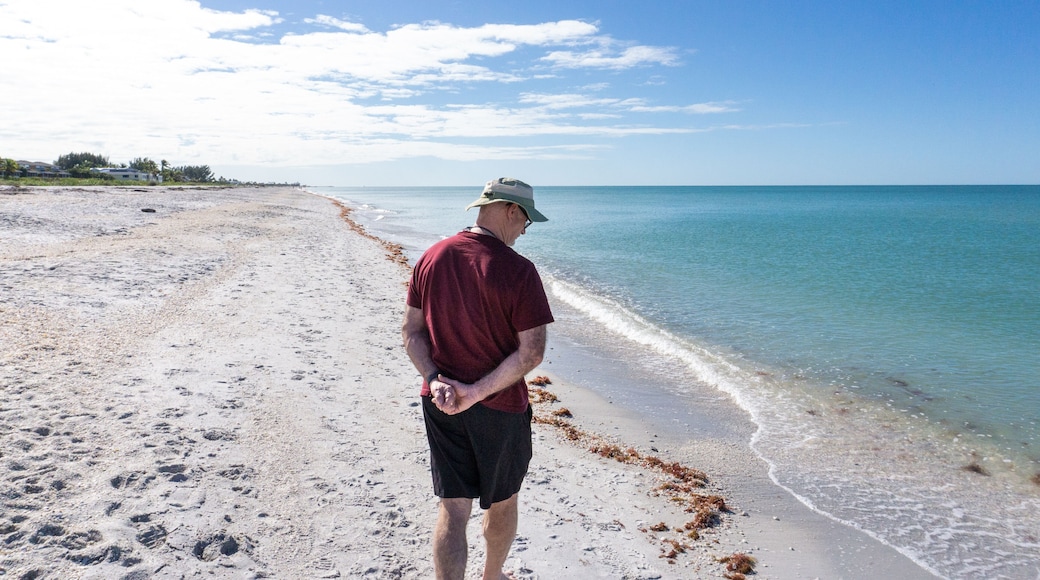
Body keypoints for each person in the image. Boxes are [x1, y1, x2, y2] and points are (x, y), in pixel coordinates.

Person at [402, 177, 554, 580]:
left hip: (441, 401)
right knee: (502, 502)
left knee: (453, 507)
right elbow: (532, 352)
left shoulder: (431, 257)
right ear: (509, 211)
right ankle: (491, 577)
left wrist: (435, 379)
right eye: (526, 221)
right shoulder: (519, 271)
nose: (524, 231)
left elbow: (411, 334)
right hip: (500, 407)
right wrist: (475, 393)